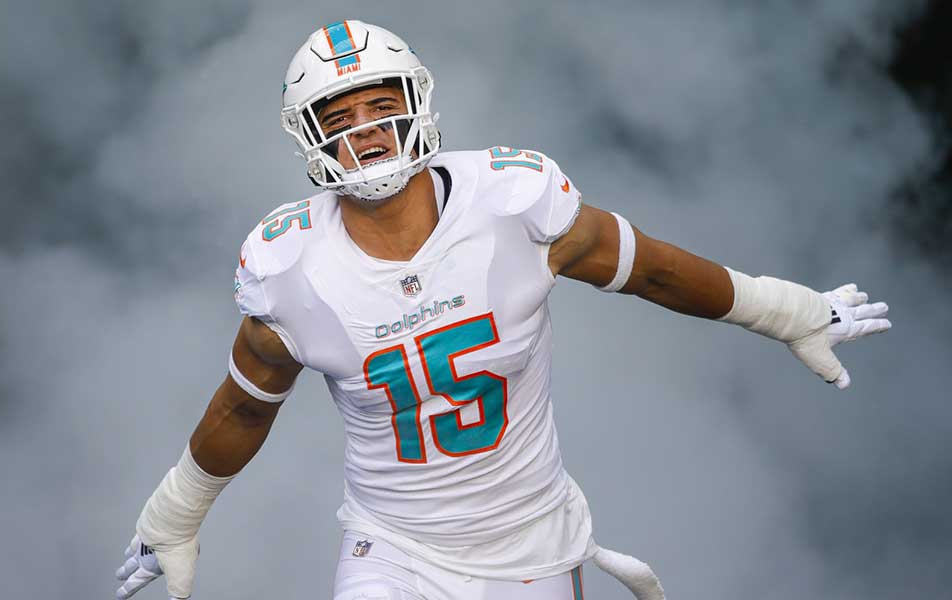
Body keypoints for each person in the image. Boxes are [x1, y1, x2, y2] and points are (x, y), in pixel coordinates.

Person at [114, 20, 891, 600]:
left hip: (532, 543)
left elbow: (650, 271)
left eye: (381, 108)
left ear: (418, 104)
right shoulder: (289, 267)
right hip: (392, 547)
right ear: (309, 141)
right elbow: (246, 408)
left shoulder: (512, 202)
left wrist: (782, 309)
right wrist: (177, 511)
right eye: (339, 122)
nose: (367, 137)